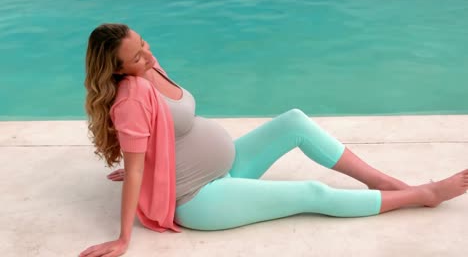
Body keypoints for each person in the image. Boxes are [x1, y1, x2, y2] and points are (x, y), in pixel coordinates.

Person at [79, 23, 467, 257]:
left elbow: (154, 137)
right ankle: (424, 195)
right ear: (117, 71)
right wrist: (123, 235)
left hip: (227, 167)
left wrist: (148, 164)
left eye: (143, 43)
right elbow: (134, 164)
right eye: (136, 57)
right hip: (200, 198)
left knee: (293, 121)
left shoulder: (150, 64)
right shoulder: (129, 98)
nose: (147, 54)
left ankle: (379, 182)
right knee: (311, 194)